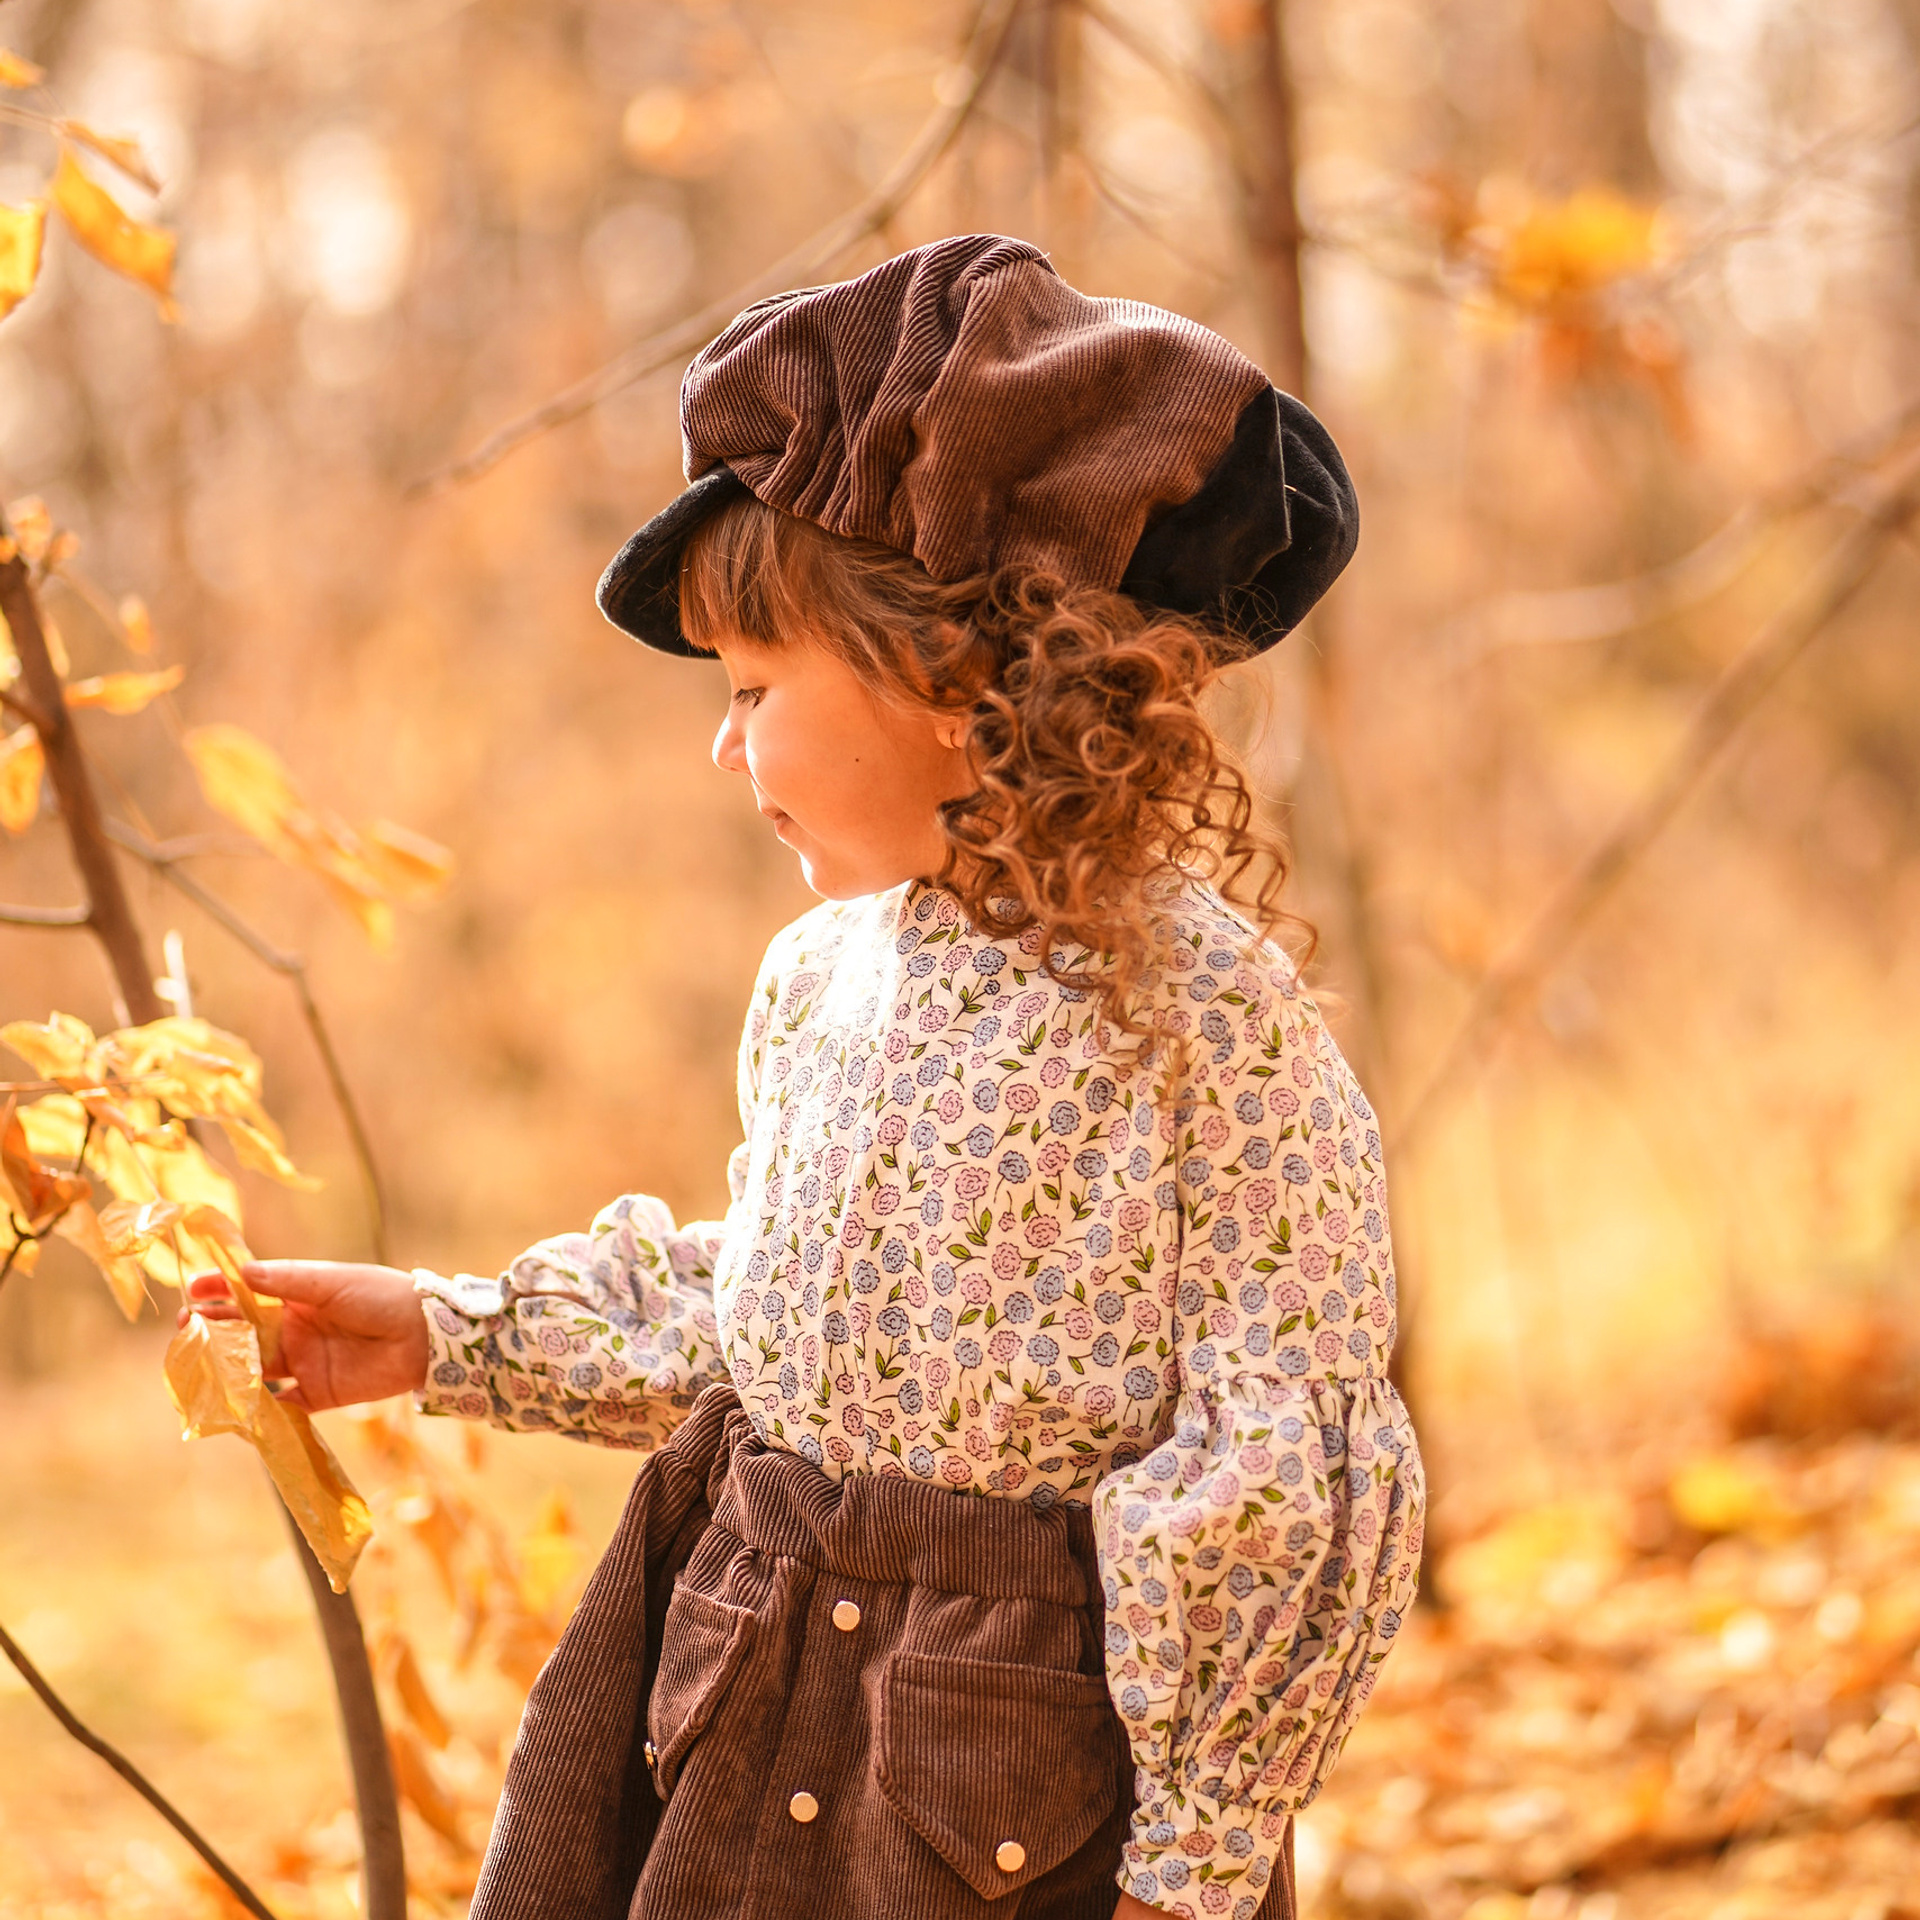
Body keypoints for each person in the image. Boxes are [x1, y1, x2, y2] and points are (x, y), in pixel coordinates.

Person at [184, 235, 1423, 1920]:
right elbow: (783, 1333)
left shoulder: (1210, 1024)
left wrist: (1191, 1864)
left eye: (756, 687)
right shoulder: (822, 977)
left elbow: (1279, 1464)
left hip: (1005, 1812)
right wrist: (443, 1333)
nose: (724, 741)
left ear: (956, 684)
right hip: (741, 1709)